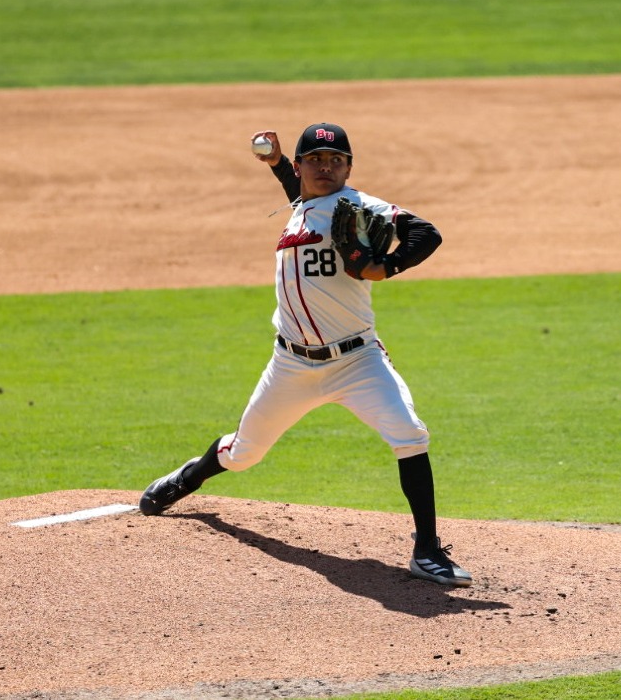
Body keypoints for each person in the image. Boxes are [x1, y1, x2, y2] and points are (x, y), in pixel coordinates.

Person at [138, 122, 470, 587]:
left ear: (349, 167)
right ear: (301, 167)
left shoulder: (358, 205)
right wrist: (276, 162)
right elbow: (300, 192)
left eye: (336, 161)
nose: (326, 168)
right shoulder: (304, 204)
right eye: (314, 160)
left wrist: (386, 265)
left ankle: (427, 550)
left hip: (357, 362)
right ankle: (192, 475)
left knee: (410, 434)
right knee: (242, 454)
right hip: (290, 366)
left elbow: (425, 233)